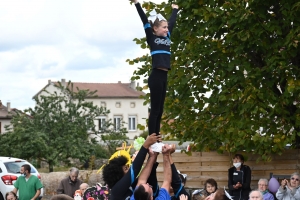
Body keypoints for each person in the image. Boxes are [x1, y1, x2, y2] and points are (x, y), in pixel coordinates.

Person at [131, 0, 179, 138]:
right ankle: (152, 136)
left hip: (164, 76)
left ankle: (156, 136)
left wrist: (175, 9)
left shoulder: (167, 37)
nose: (166, 29)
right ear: (155, 29)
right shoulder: (151, 37)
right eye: (163, 27)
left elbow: (172, 22)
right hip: (156, 76)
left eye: (166, 27)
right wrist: (137, 4)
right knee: (155, 110)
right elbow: (144, 20)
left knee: (160, 110)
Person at [102, 133, 161, 200]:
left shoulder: (133, 185)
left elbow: (151, 188)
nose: (129, 167)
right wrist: (145, 145)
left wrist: (153, 156)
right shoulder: (116, 191)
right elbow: (134, 170)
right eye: (126, 168)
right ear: (118, 175)